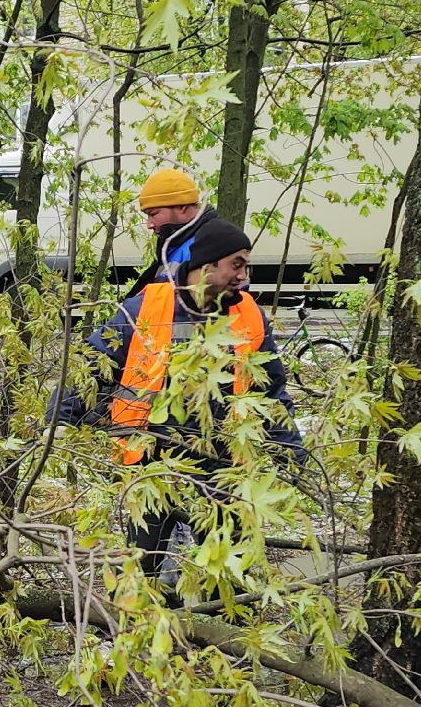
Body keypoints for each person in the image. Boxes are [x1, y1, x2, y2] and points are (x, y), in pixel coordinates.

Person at [53, 216, 305, 561]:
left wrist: (290, 452)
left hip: (224, 467)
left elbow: (271, 392)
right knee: (143, 565)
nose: (243, 275)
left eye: (246, 266)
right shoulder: (145, 308)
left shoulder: (249, 314)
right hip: (152, 463)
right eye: (236, 264)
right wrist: (60, 419)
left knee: (225, 566)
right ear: (206, 264)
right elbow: (92, 365)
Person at [124, 168, 218, 300]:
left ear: (182, 206)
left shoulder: (206, 248)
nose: (149, 224)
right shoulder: (177, 245)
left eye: (153, 214)